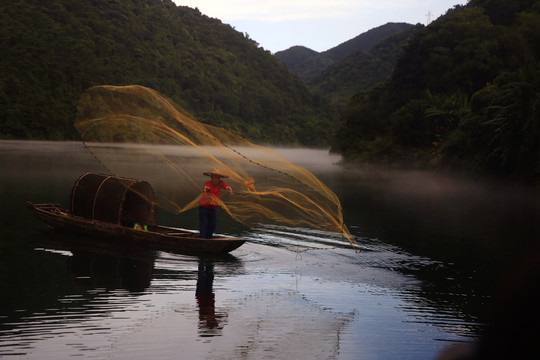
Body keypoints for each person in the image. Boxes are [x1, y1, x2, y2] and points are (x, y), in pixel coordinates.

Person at [198, 169, 233, 238]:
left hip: (212, 207)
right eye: (214, 178)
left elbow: (226, 186)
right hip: (204, 206)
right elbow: (206, 189)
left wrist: (230, 189)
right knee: (204, 223)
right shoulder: (207, 183)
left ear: (219, 179)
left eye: (217, 178)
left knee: (212, 224)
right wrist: (206, 190)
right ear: (212, 178)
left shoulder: (221, 183)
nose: (216, 180)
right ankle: (202, 238)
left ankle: (209, 238)